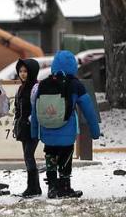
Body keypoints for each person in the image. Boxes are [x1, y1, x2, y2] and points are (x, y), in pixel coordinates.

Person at [30, 50, 101, 198]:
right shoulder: (76, 85)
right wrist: (94, 131)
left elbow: (36, 110)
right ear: (73, 66)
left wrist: (34, 132)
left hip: (47, 131)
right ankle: (65, 187)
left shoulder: (43, 84)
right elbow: (88, 109)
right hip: (66, 131)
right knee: (65, 157)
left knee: (50, 157)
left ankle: (52, 188)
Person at [13, 58, 42, 197]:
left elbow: (38, 108)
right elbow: (18, 108)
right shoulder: (21, 88)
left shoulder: (36, 87)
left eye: (25, 71)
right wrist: (17, 123)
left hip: (33, 127)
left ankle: (33, 187)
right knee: (27, 156)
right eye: (20, 71)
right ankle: (34, 187)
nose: (22, 74)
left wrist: (31, 120)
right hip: (23, 127)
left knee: (29, 154)